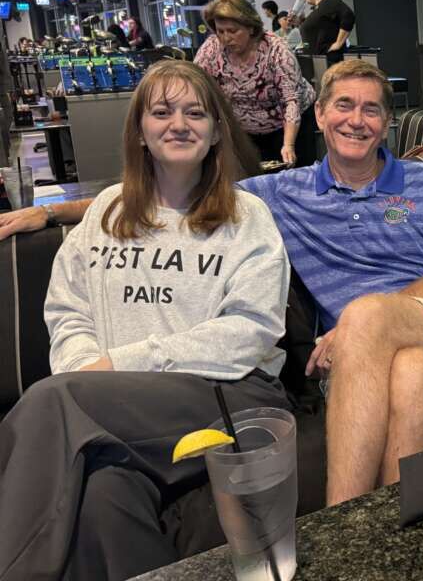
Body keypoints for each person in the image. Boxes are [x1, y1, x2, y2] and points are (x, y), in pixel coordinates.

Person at [0, 60, 423, 509]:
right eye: (344, 105)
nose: (356, 120)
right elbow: (171, 190)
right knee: (411, 373)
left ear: (387, 122)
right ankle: (404, 540)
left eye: (371, 110)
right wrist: (53, 211)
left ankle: (342, 527)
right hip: (363, 354)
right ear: (320, 114)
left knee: (366, 314)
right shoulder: (284, 190)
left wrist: (360, 326)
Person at [0, 60, 291, 581]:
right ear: (139, 130)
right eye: (162, 112)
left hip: (230, 394)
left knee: (52, 401)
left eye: (195, 113)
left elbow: (250, 330)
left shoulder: (247, 217)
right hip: (111, 406)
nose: (178, 124)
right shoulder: (107, 211)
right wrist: (85, 373)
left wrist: (113, 370)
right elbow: (68, 310)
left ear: (216, 132)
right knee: (103, 493)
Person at [194, 0, 316, 167]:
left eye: (233, 31)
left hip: (290, 124)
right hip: (244, 129)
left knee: (293, 172)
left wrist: (288, 145)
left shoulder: (277, 50)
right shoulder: (211, 49)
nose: (226, 38)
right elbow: (197, 86)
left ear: (251, 28)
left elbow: (291, 101)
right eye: (220, 31)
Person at [297, 0, 355, 64]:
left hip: (328, 61)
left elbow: (348, 16)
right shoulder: (321, 7)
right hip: (317, 61)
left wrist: (338, 43)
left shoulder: (328, 2)